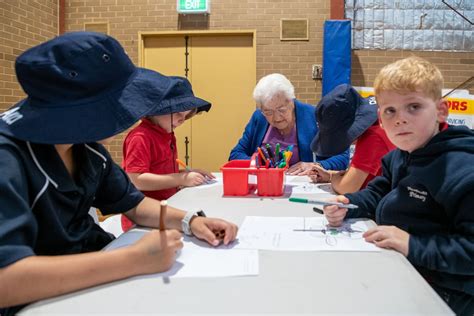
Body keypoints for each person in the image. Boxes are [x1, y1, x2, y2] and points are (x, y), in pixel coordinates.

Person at [0, 32, 238, 315]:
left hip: (93, 277)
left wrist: (190, 220)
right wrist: (133, 259)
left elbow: (135, 204)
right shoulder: (8, 159)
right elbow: (7, 280)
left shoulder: (86, 148)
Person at [323, 56, 474, 315]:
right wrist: (349, 205)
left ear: (441, 111)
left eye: (413, 107)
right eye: (390, 111)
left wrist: (412, 244)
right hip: (404, 270)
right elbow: (378, 192)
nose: (399, 119)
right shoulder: (402, 154)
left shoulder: (463, 171)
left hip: (448, 295)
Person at [121, 77, 215, 232]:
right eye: (178, 113)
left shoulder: (167, 134)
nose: (182, 120)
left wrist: (186, 173)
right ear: (157, 109)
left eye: (186, 116)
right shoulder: (141, 137)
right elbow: (136, 179)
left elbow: (160, 172)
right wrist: (180, 178)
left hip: (166, 210)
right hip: (143, 219)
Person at [228, 73, 349, 172]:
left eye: (281, 110)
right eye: (268, 112)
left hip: (303, 186)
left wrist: (316, 165)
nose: (276, 118)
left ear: (292, 101)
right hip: (265, 185)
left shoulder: (315, 116)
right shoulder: (259, 118)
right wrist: (258, 164)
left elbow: (343, 157)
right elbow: (235, 155)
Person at [308, 84, 396, 193]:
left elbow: (347, 188)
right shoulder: (377, 125)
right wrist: (330, 175)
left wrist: (334, 179)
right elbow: (362, 177)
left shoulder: (372, 136)